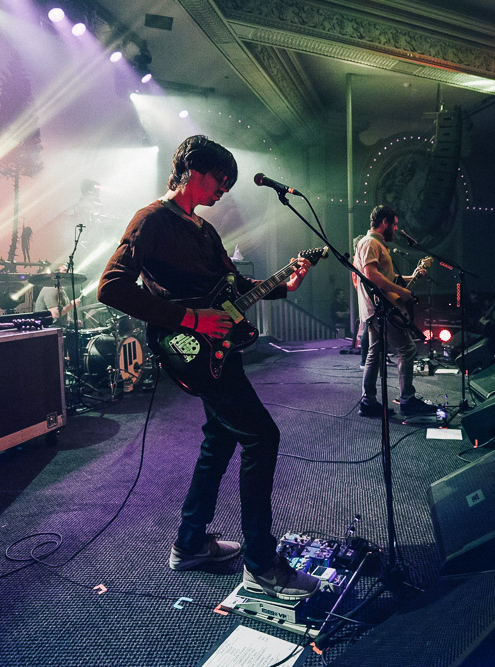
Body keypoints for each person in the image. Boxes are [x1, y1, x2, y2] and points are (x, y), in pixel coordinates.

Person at [98, 135, 318, 601]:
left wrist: (285, 284)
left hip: (218, 351)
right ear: (193, 170)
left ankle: (190, 543)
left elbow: (234, 286)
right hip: (189, 346)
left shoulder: (203, 230)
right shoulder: (152, 220)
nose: (225, 190)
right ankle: (261, 565)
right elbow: (111, 287)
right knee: (261, 436)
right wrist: (191, 318)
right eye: (221, 179)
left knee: (219, 439)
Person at [354, 205, 433, 417]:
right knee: (406, 348)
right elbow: (372, 276)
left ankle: (368, 401)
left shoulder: (375, 244)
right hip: (381, 308)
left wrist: (412, 277)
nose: (396, 229)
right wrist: (402, 292)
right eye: (395, 224)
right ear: (385, 222)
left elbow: (387, 278)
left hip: (376, 309)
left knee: (374, 353)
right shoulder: (370, 243)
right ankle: (407, 399)